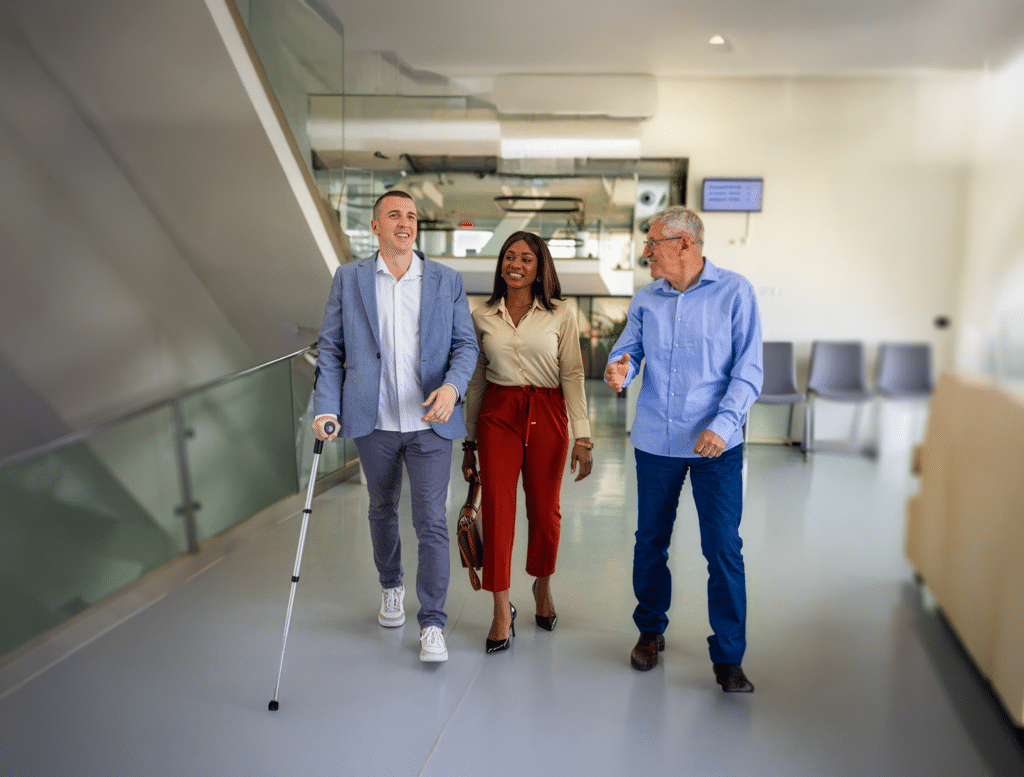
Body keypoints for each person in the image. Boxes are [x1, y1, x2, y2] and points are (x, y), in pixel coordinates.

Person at [312, 190, 478, 663]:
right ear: (376, 226)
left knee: (431, 522)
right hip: (373, 419)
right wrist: (326, 408)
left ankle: (432, 622)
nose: (405, 223)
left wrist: (451, 389)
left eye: (411, 216)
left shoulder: (445, 279)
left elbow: (465, 347)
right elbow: (331, 349)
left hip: (431, 423)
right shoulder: (350, 278)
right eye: (394, 215)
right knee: (381, 508)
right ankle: (391, 587)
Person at [604, 206, 762, 692]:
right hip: (656, 441)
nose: (646, 252)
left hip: (717, 444)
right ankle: (650, 630)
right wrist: (620, 369)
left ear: (685, 245)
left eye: (653, 243)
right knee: (650, 541)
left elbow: (749, 370)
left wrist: (723, 423)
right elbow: (626, 352)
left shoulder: (736, 292)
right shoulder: (646, 300)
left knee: (723, 548)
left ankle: (729, 656)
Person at [461, 231, 593, 654]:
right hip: (498, 414)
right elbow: (477, 379)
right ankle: (501, 609)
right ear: (501, 264)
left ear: (541, 268)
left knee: (544, 510)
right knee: (498, 510)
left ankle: (542, 584)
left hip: (548, 411)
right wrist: (468, 442)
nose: (515, 264)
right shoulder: (481, 314)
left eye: (526, 259)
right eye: (509, 256)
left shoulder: (561, 313)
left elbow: (572, 372)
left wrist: (583, 435)